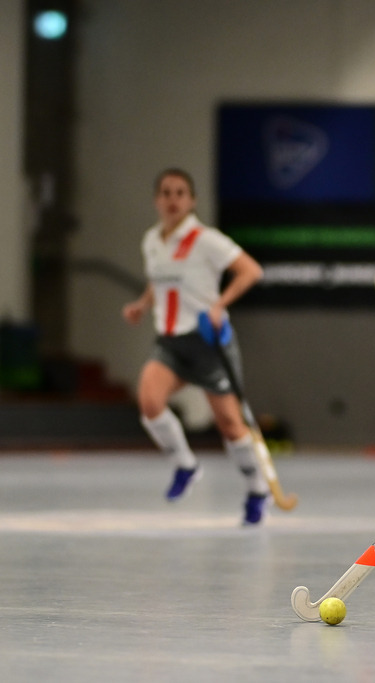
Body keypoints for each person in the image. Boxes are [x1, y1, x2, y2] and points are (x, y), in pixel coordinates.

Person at [122, 168, 270, 525]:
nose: (173, 200)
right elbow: (160, 280)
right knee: (149, 402)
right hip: (171, 343)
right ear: (157, 199)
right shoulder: (151, 240)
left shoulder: (207, 240)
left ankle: (257, 489)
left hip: (207, 343)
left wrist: (219, 305)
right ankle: (185, 465)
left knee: (231, 426)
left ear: (192, 201)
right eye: (166, 193)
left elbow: (251, 271)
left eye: (180, 193)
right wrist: (143, 304)